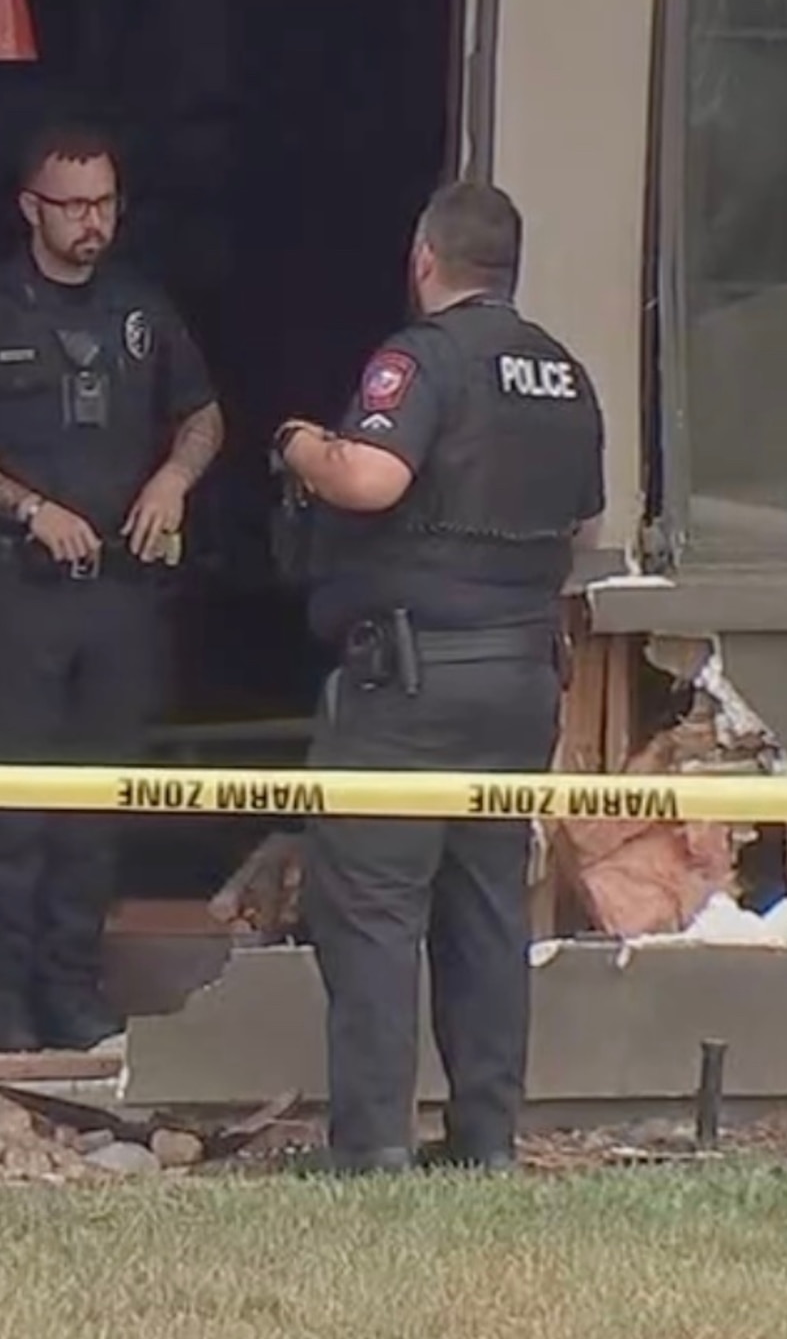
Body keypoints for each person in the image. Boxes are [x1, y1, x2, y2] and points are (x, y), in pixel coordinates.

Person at [269, 179, 605, 1173]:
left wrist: (299, 447)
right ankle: (486, 1139)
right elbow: (581, 519)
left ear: (425, 257)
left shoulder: (420, 362)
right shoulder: (566, 374)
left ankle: (373, 1148)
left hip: (412, 684)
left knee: (371, 911)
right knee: (487, 911)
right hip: (521, 680)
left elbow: (372, 478)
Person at [0, 123, 224, 1053]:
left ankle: (71, 990)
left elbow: (203, 413)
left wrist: (173, 479)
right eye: (73, 206)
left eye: (104, 204)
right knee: (12, 810)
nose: (91, 223)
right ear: (30, 208)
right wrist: (24, 506)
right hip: (20, 592)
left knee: (96, 807)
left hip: (119, 596)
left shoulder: (140, 306)